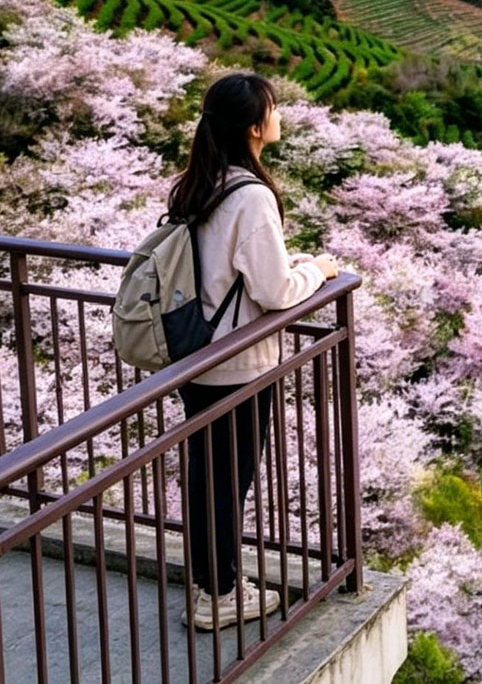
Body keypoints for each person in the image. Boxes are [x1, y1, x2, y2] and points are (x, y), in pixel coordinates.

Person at [164, 72, 339, 631]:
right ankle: (219, 596)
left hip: (196, 353)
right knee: (227, 481)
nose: (280, 115)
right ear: (254, 127)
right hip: (236, 363)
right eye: (274, 108)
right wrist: (318, 270)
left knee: (206, 474)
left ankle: (209, 584)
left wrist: (291, 266)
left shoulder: (199, 182)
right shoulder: (252, 195)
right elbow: (276, 291)